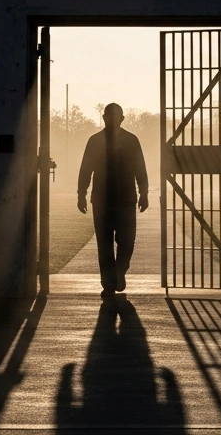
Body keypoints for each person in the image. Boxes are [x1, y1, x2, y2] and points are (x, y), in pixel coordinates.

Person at [77, 104, 150, 297]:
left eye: (115, 116)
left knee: (127, 240)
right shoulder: (95, 141)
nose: (112, 119)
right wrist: (81, 194)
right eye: (109, 116)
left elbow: (140, 168)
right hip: (102, 200)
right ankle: (109, 281)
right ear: (104, 118)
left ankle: (119, 270)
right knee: (105, 242)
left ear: (122, 118)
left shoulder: (131, 140)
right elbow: (86, 168)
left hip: (125, 199)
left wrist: (144, 192)